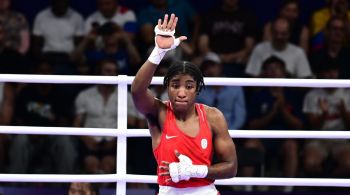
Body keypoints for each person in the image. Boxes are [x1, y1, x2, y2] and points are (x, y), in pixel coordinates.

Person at [131, 14, 237, 194]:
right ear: (167, 88)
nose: (181, 92)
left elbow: (231, 167)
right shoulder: (159, 112)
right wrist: (158, 52)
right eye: (175, 85)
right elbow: (137, 91)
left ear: (197, 89)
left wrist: (195, 170)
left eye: (189, 86)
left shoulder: (212, 116)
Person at [302, 63, 350, 178]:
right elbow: (314, 125)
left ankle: (329, 184)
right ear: (321, 75)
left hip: (342, 138)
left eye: (334, 72)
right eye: (328, 72)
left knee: (348, 164)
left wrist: (343, 112)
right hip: (318, 138)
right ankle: (323, 185)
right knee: (310, 163)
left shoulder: (347, 93)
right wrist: (324, 114)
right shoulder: (312, 95)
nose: (332, 75)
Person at [245, 17, 312, 78]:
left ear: (289, 34)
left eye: (283, 34)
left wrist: (287, 76)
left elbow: (305, 79)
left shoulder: (298, 52)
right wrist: (267, 74)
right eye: (276, 33)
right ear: (271, 32)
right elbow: (251, 76)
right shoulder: (259, 49)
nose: (279, 37)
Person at [32, 0, 85, 75]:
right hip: (47, 57)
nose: (61, 4)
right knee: (43, 71)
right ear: (52, 2)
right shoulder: (41, 17)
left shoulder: (77, 17)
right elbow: (36, 45)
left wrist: (77, 61)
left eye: (64, 2)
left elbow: (79, 45)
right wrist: (41, 62)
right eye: (58, 2)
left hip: (68, 58)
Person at [196, 52, 246, 130]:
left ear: (220, 67)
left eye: (213, 65)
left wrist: (226, 134)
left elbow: (239, 117)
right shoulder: (199, 89)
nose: (209, 70)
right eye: (206, 67)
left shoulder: (235, 87)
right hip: (204, 133)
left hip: (230, 132)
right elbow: (195, 115)